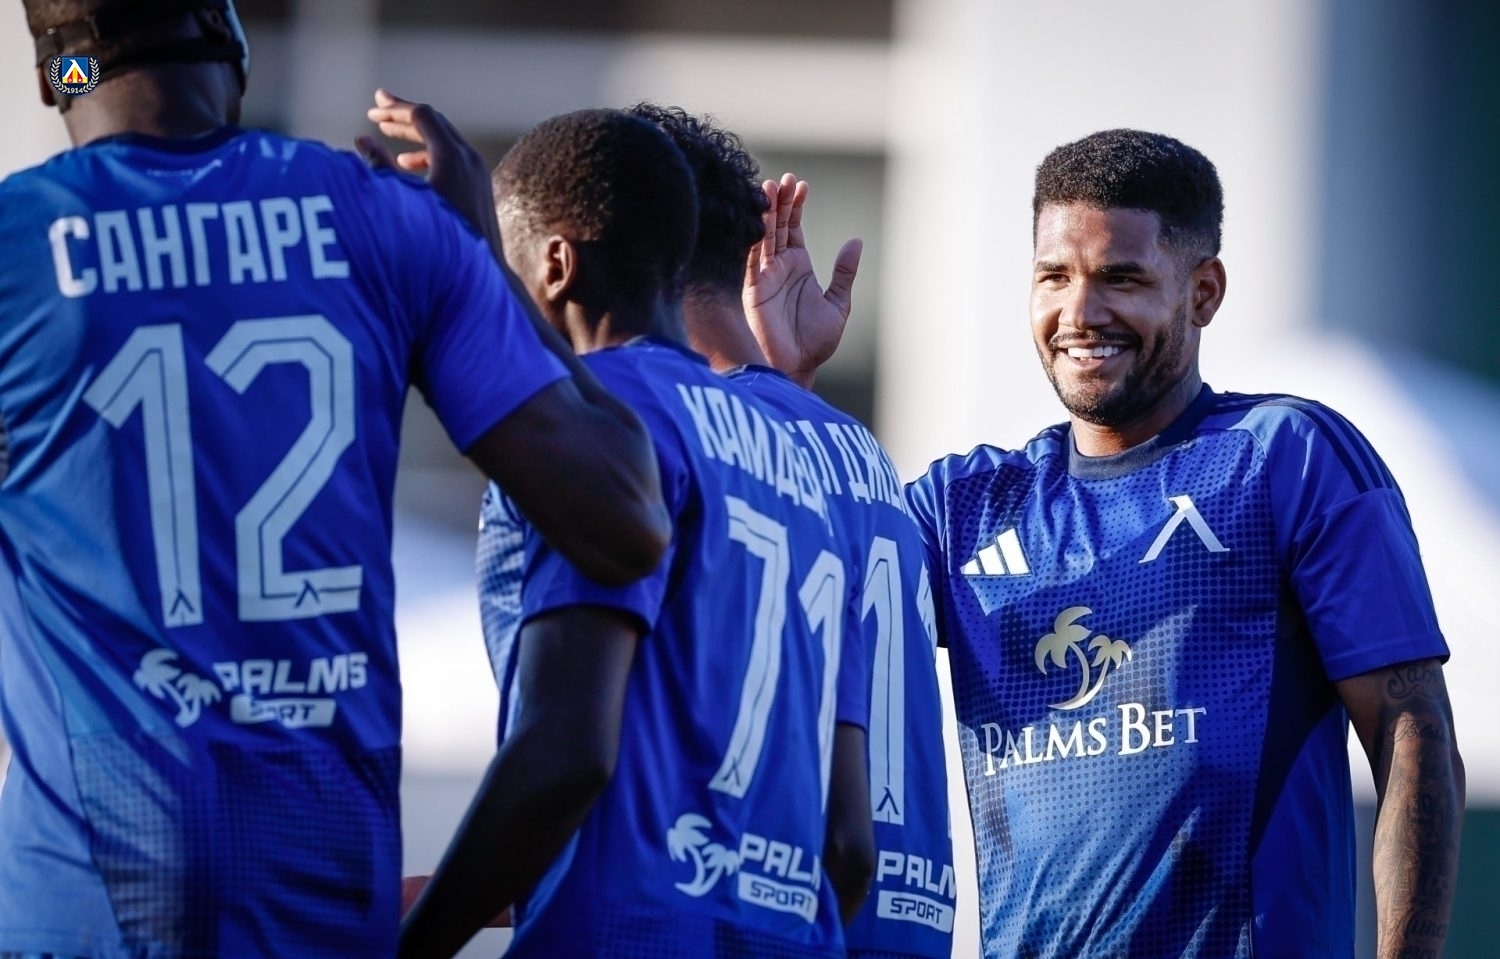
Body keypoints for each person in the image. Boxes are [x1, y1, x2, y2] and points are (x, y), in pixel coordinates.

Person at [0, 2, 671, 955]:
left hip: (88, 883)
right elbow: (627, 518)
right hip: (318, 870)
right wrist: (480, 255)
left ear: (49, 78)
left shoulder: (17, 245)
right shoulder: (382, 218)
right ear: (228, 40)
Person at [753, 129, 1466, 958]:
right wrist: (781, 387)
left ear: (1203, 292)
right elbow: (794, 579)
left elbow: (1413, 731)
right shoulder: (961, 507)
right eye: (1054, 276)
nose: (1080, 314)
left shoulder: (1287, 455)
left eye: (1121, 278)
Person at [390, 107, 861, 959]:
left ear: (556, 265)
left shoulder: (606, 429)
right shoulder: (800, 454)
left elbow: (568, 749)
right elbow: (842, 838)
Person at [628, 101, 958, 958]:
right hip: (900, 923)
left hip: (760, 920)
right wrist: (784, 379)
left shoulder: (679, 439)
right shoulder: (854, 445)